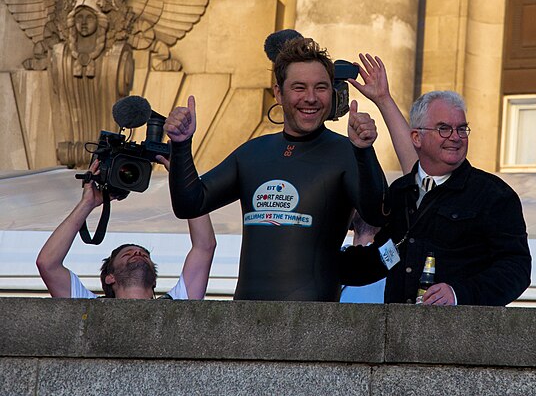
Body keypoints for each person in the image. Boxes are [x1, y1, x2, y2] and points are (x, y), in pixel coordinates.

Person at [164, 37, 390, 301]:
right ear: (279, 93)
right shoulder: (252, 153)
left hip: (314, 324)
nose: (310, 98)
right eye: (299, 87)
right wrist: (181, 145)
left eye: (321, 88)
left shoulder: (345, 152)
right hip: (245, 320)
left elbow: (378, 213)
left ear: (333, 93)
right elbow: (190, 204)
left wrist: (364, 151)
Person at [342, 90, 532, 306]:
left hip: (460, 333)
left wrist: (458, 294)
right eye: (444, 129)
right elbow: (382, 260)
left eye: (462, 129)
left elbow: (516, 270)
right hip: (399, 332)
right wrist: (314, 261)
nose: (455, 137)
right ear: (416, 137)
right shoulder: (401, 191)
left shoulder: (495, 195)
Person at [36, 158, 216, 299]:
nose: (138, 254)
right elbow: (47, 263)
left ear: (154, 280)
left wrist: (182, 177)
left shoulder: (178, 303)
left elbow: (205, 246)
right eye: (128, 254)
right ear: (110, 277)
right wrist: (87, 203)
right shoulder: (87, 306)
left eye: (144, 256)